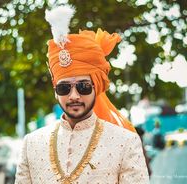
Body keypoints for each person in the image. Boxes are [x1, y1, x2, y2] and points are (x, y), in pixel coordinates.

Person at [15, 4, 149, 184]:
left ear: (97, 87)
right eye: (64, 88)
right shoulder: (31, 144)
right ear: (55, 91)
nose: (74, 96)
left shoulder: (125, 142)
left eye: (83, 87)